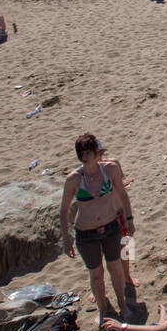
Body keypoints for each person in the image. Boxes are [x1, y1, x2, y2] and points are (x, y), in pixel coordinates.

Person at [61, 133, 134, 318]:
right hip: (86, 234)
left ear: (95, 152)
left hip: (111, 227)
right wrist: (66, 238)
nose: (85, 156)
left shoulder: (110, 169)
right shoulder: (73, 179)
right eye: (81, 152)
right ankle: (103, 310)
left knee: (115, 268)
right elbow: (64, 210)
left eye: (88, 152)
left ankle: (122, 304)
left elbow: (123, 195)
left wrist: (129, 219)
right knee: (96, 274)